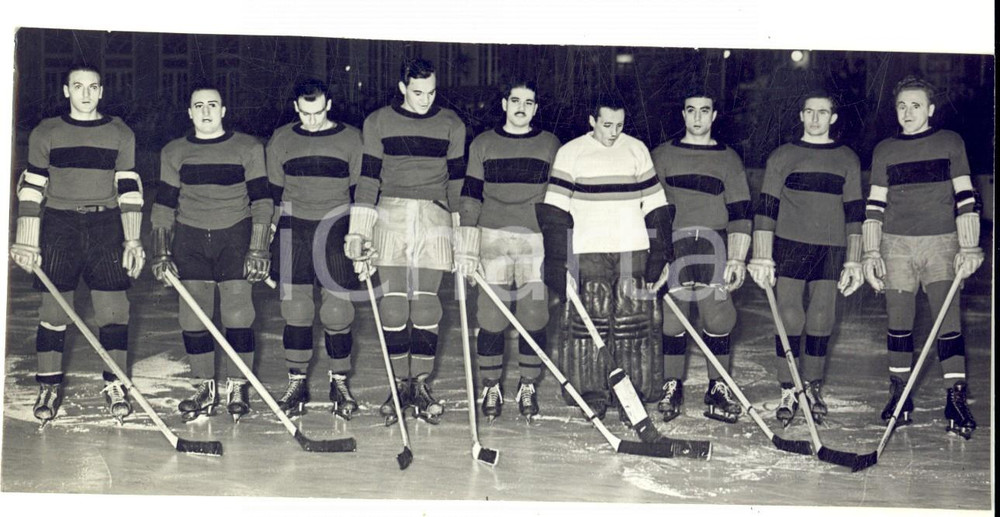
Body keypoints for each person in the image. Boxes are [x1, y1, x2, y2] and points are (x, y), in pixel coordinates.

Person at [10, 63, 144, 426]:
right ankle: (49, 387)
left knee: (114, 310)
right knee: (54, 312)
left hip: (105, 225)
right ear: (66, 91)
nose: (86, 93)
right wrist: (26, 241)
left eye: (93, 87)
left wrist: (133, 239)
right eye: (78, 86)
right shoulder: (47, 132)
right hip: (59, 224)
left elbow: (128, 188)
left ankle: (116, 385)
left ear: (101, 91)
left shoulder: (120, 132)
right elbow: (32, 187)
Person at [539, 93, 673, 426]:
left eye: (620, 125)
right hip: (589, 250)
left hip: (632, 248)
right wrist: (558, 261)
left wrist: (660, 254)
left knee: (633, 324)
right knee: (589, 323)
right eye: (607, 125)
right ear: (592, 120)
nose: (614, 132)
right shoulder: (571, 153)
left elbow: (655, 207)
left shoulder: (636, 150)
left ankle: (631, 396)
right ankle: (592, 394)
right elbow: (556, 213)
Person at [345, 58, 467, 425]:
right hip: (391, 215)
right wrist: (358, 230)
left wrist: (463, 233)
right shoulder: (378, 122)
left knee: (427, 308)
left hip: (434, 216)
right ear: (402, 88)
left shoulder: (452, 124)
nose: (425, 99)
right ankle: (400, 385)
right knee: (394, 309)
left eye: (431, 92)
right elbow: (368, 179)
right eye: (417, 93)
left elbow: (457, 184)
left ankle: (421, 384)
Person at [862, 76, 982, 439]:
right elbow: (875, 205)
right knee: (899, 321)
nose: (908, 112)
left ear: (930, 109)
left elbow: (965, 197)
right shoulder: (885, 149)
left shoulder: (950, 142)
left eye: (916, 106)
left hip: (941, 244)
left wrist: (969, 246)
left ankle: (955, 397)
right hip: (896, 245)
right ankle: (899, 395)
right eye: (901, 106)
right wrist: (871, 251)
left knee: (948, 321)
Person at [150, 79, 272, 423]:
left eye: (212, 105)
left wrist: (259, 246)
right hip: (190, 238)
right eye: (199, 106)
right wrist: (161, 250)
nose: (206, 112)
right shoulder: (174, 151)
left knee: (238, 315)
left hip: (235, 235)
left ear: (223, 110)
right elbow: (164, 204)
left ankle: (238, 386)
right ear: (190, 113)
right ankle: (204, 386)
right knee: (193, 317)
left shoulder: (248, 147)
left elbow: (262, 200)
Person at [747, 90, 864, 426]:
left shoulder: (847, 158)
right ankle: (788, 387)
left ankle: (811, 386)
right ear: (801, 115)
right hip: (790, 245)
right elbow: (766, 207)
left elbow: (854, 212)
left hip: (830, 248)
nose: (815, 119)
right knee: (789, 317)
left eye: (822, 112)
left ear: (833, 118)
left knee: (822, 318)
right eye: (809, 112)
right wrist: (762, 255)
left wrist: (854, 259)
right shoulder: (783, 155)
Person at [454, 79, 561, 421]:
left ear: (536, 108)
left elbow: (559, 198)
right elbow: (471, 195)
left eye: (528, 103)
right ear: (504, 104)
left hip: (535, 238)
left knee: (534, 313)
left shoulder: (550, 144)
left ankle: (527, 383)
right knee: (491, 315)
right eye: (515, 101)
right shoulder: (484, 143)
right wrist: (467, 246)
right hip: (492, 236)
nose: (521, 108)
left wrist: (559, 248)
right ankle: (491, 385)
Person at [650, 89, 751, 424]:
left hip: (714, 244)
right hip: (675, 244)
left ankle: (717, 387)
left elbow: (740, 212)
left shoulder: (729, 159)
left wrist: (737, 257)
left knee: (718, 318)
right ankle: (671, 384)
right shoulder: (662, 155)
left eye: (704, 110)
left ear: (714, 115)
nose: (697, 117)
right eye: (690, 110)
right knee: (673, 319)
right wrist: (655, 256)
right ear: (683, 114)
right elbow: (650, 208)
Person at [265, 78, 363, 419]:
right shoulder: (281, 139)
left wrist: (364, 236)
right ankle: (297, 382)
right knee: (295, 311)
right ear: (296, 107)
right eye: (305, 113)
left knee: (337, 312)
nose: (312, 120)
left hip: (336, 227)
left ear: (329, 105)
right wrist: (265, 245)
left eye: (318, 112)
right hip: (293, 229)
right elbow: (273, 197)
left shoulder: (351, 139)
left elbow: (362, 194)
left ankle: (339, 381)